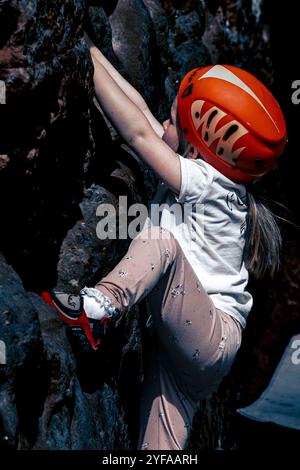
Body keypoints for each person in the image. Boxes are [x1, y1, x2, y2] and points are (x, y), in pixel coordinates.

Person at [42, 34, 287, 450]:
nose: (164, 125)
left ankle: (98, 310)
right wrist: (89, 48)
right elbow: (137, 109)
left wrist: (79, 52)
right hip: (198, 350)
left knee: (161, 243)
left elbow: (137, 134)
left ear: (198, 147)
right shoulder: (213, 174)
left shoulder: (207, 185)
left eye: (174, 122)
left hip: (209, 333)